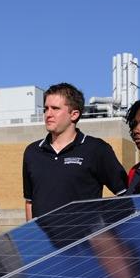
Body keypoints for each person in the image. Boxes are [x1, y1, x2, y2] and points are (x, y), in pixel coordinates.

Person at [22, 82, 128, 220]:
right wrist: (32, 237)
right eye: (46, 108)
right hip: (44, 240)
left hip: (84, 240)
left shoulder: (96, 149)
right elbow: (30, 201)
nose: (48, 114)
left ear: (74, 114)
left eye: (55, 108)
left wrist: (104, 230)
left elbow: (125, 195)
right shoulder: (32, 152)